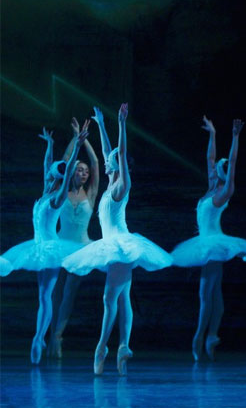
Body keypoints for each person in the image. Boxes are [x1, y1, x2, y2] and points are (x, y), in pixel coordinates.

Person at [62, 104, 172, 375]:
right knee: (122, 299)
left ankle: (102, 348)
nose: (108, 157)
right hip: (113, 246)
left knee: (109, 299)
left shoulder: (122, 186)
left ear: (119, 164)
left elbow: (119, 152)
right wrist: (101, 124)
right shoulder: (110, 183)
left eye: (112, 157)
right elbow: (107, 151)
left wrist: (122, 123)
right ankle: (123, 346)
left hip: (121, 246)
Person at [171, 116, 246, 361]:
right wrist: (212, 133)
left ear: (223, 175)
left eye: (218, 170)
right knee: (215, 295)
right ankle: (212, 335)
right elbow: (210, 158)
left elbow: (232, 164)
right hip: (207, 242)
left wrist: (235, 137)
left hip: (213, 244)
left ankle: (199, 337)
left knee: (206, 295)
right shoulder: (211, 187)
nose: (213, 170)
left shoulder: (224, 192)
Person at [3, 124, 89, 364]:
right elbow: (46, 165)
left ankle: (38, 338)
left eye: (51, 174)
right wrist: (50, 145)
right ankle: (39, 337)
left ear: (57, 178)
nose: (48, 174)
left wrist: (77, 146)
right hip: (37, 246)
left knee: (47, 295)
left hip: (51, 249)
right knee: (43, 296)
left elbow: (67, 171)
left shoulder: (58, 197)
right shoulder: (44, 193)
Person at [47, 118, 100, 358]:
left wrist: (85, 141)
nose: (84, 173)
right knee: (56, 292)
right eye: (80, 170)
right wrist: (76, 138)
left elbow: (96, 164)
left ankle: (58, 336)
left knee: (70, 291)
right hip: (61, 245)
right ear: (72, 173)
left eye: (85, 171)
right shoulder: (62, 191)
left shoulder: (91, 194)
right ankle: (51, 334)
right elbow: (65, 160)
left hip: (81, 247)